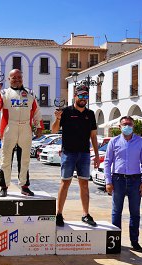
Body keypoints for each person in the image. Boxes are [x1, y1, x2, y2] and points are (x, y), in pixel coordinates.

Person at [52, 84, 100, 227]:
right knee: (65, 183)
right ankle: (59, 214)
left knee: (84, 184)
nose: (83, 98)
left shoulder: (90, 114)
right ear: (75, 96)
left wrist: (97, 155)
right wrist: (58, 119)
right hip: (68, 153)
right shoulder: (66, 112)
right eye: (81, 96)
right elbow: (54, 131)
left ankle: (85, 214)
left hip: (84, 154)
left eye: (86, 96)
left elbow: (93, 136)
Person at [0, 69, 43, 197]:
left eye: (19, 77)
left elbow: (36, 111)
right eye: (14, 77)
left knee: (25, 159)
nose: (17, 79)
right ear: (9, 79)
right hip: (9, 127)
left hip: (26, 127)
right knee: (6, 159)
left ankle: (24, 186)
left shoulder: (30, 93)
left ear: (22, 78)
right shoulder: (3, 93)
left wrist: (39, 126)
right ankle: (4, 187)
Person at [104, 116, 142, 252]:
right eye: (124, 124)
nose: (127, 126)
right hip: (118, 180)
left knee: (135, 212)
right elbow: (107, 162)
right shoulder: (114, 142)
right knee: (116, 212)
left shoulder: (140, 142)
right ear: (119, 127)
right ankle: (115, 242)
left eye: (129, 124)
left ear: (133, 126)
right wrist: (108, 181)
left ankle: (134, 241)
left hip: (135, 180)